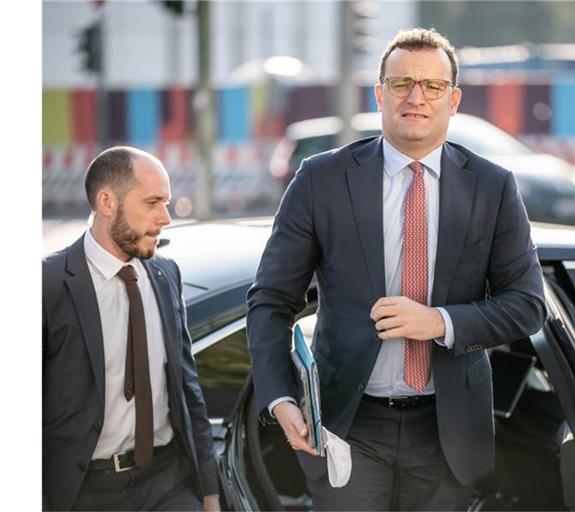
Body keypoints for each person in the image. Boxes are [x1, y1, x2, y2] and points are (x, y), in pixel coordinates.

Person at [247, 28, 546, 511]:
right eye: (402, 82)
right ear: (380, 93)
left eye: (431, 86)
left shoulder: (493, 188)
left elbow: (528, 305)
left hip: (448, 430)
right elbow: (270, 300)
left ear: (453, 100)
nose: (416, 97)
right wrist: (279, 397)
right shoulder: (321, 180)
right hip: (348, 424)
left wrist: (440, 322)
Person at [43, 146, 220, 511]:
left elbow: (188, 391)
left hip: (166, 482)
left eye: (166, 202)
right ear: (107, 202)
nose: (165, 218)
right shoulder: (48, 284)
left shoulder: (164, 274)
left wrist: (210, 493)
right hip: (84, 493)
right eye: (153, 202)